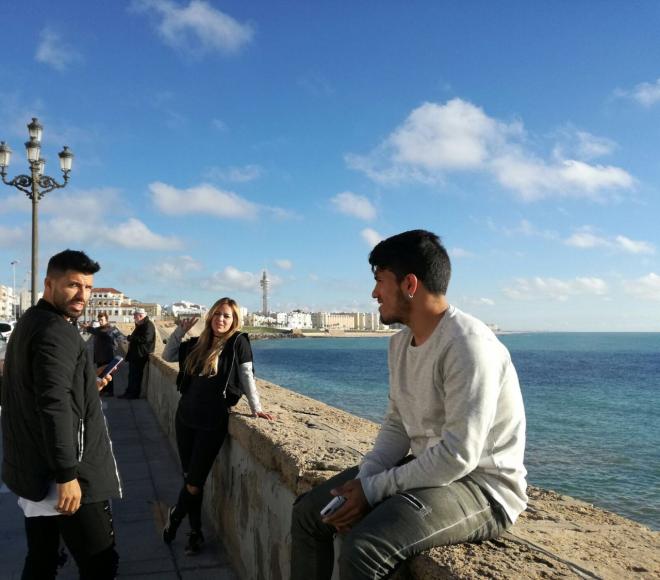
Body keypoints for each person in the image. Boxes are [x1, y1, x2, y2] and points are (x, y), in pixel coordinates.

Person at [290, 230, 527, 580]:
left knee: (364, 549)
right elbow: (397, 424)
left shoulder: (469, 345)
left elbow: (459, 455)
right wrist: (367, 477)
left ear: (409, 284)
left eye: (380, 281)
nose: (374, 293)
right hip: (430, 469)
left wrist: (370, 492)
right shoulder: (399, 345)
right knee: (311, 514)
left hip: (482, 487)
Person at [1, 249, 122, 579]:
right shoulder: (56, 331)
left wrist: (86, 387)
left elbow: (44, 390)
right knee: (100, 563)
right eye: (73, 285)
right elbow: (53, 406)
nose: (82, 295)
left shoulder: (31, 322)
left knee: (42, 558)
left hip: (35, 467)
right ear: (49, 284)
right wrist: (67, 475)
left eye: (88, 287)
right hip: (67, 475)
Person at [161, 297, 274, 555]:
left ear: (234, 320)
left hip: (213, 420)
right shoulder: (195, 345)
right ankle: (196, 532)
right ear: (210, 316)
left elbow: (247, 376)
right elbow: (167, 355)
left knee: (194, 481)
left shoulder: (238, 343)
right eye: (217, 315)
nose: (221, 320)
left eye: (227, 316)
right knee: (192, 479)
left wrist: (256, 408)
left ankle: (176, 517)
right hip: (186, 416)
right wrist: (180, 331)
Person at [119, 307, 155, 399]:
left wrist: (131, 338)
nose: (134, 318)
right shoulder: (141, 324)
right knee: (132, 375)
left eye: (135, 316)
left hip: (141, 354)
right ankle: (128, 392)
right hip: (136, 354)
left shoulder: (148, 325)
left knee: (136, 375)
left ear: (140, 316)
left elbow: (146, 339)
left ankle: (133, 394)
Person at [84, 311, 123, 396]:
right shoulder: (98, 329)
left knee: (108, 374)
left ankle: (110, 392)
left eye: (102, 320)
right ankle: (102, 390)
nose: (100, 322)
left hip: (107, 356)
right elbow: (96, 332)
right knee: (100, 375)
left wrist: (88, 328)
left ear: (106, 320)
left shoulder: (109, 328)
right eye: (99, 320)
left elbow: (103, 333)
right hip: (99, 356)